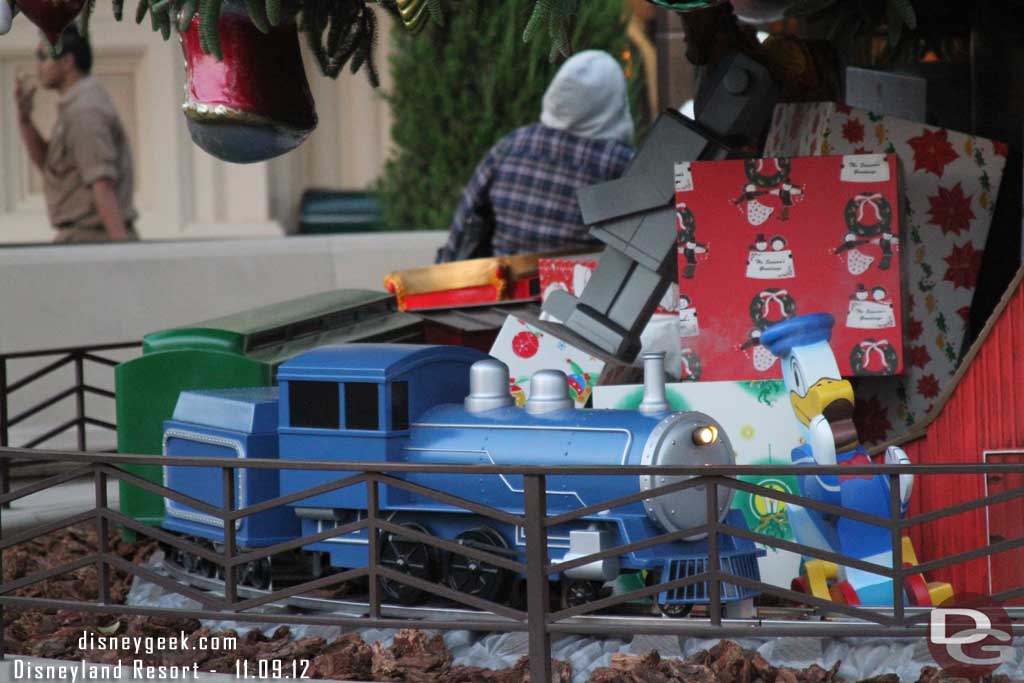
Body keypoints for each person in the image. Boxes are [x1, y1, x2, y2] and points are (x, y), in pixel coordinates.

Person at [436, 50, 634, 262]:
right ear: (614, 102)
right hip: (586, 290)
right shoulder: (622, 164)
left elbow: (463, 223)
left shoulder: (511, 146)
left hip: (507, 289)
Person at [14, 26, 138, 243]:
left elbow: (102, 182)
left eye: (43, 57)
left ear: (67, 62)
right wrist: (25, 120)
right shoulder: (74, 106)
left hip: (95, 239)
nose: (38, 66)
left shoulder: (86, 111)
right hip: (83, 239)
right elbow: (49, 166)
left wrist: (122, 253)